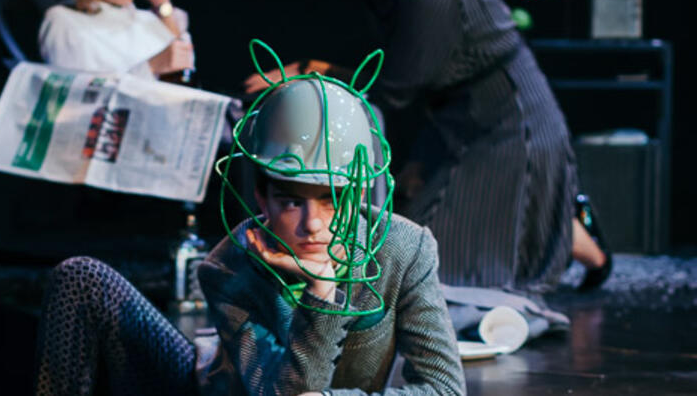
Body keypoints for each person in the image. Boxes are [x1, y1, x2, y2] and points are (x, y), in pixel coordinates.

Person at [129, 0, 611, 294]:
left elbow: (395, 88)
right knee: (434, 247)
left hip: (509, 124)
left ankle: (571, 229)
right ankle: (569, 225)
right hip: (456, 122)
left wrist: (307, 70)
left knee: (425, 267)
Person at [33, 42, 466, 395]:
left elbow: (445, 389)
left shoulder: (405, 248)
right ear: (261, 196)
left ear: (357, 189)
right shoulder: (230, 265)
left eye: (332, 199)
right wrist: (321, 291)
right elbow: (280, 393)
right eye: (292, 201)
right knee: (81, 276)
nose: (313, 223)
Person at [38, 0, 194, 81]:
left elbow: (184, 67)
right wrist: (149, 68)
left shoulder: (148, 19)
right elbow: (80, 100)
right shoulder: (65, 21)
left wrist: (161, 2)